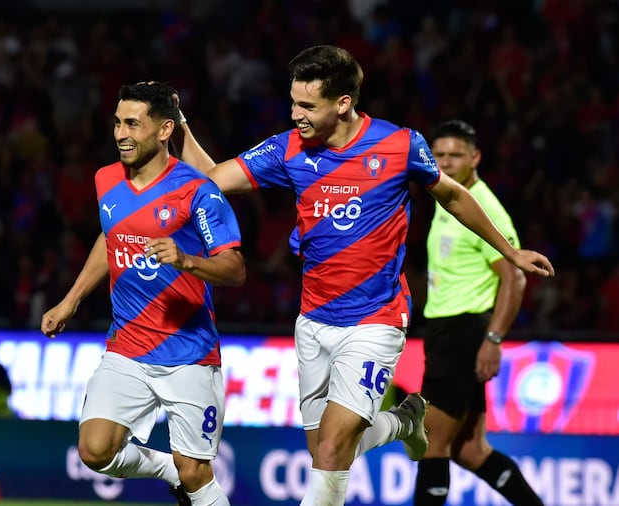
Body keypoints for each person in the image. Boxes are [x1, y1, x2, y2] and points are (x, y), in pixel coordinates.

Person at [172, 45, 554, 505]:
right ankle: (404, 422)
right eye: (293, 102)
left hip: (376, 321)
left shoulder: (399, 145)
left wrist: (509, 251)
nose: (295, 114)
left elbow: (452, 197)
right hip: (313, 322)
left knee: (332, 450)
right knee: (322, 451)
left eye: (307, 106)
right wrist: (182, 125)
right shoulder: (289, 149)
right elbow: (212, 178)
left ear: (343, 103)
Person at [41, 81, 245, 506]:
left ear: (165, 129)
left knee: (197, 474)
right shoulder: (106, 180)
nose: (121, 134)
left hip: (187, 352)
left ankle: (184, 473)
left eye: (133, 124)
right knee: (94, 449)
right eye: (117, 123)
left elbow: (235, 268)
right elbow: (111, 237)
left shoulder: (197, 190)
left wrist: (188, 260)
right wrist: (71, 299)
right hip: (128, 346)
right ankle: (168, 468)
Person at [413, 120, 544, 505]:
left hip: (464, 333)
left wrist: (493, 340)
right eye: (439, 155)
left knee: (431, 444)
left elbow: (515, 278)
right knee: (469, 449)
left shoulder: (483, 208)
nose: (447, 162)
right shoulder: (446, 197)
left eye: (456, 155)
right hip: (448, 330)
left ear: (476, 158)